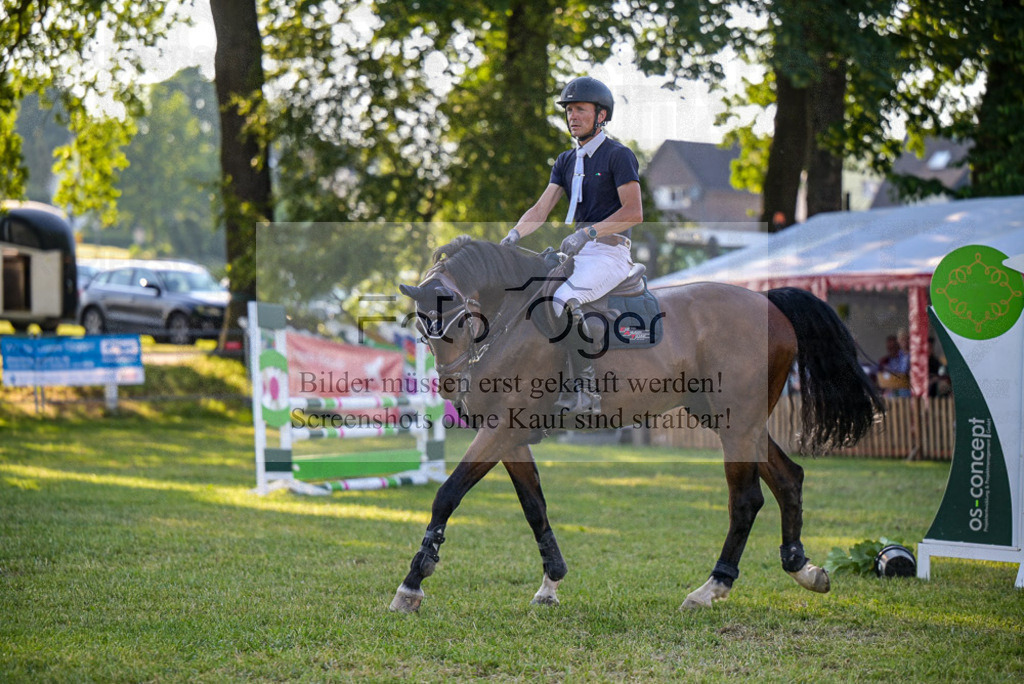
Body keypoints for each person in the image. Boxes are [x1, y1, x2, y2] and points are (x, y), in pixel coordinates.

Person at [500, 76, 643, 418]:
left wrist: (589, 233)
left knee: (562, 299)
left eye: (580, 109)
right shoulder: (565, 161)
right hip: (578, 253)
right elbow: (540, 210)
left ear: (601, 115)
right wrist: (513, 237)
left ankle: (586, 388)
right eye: (568, 110)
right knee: (532, 295)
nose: (572, 116)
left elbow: (634, 212)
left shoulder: (618, 156)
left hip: (610, 252)